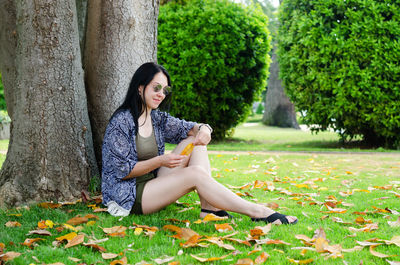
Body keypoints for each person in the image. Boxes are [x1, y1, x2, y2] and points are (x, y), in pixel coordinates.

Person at [101, 62, 298, 225]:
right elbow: (122, 171)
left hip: (153, 182)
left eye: (165, 89)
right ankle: (258, 211)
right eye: (156, 88)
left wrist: (204, 129)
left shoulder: (157, 118)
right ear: (140, 87)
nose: (161, 94)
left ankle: (209, 208)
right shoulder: (122, 121)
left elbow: (190, 127)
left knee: (195, 142)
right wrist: (161, 160)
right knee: (195, 174)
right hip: (128, 195)